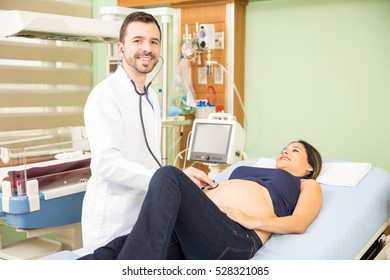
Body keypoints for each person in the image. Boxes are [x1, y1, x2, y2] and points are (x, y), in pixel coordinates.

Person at [81, 11, 213, 247]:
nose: (147, 48)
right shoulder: (105, 95)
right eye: (138, 40)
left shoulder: (151, 95)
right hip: (112, 219)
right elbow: (107, 165)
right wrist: (169, 180)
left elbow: (148, 159)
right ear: (121, 48)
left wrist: (176, 181)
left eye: (154, 42)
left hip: (145, 214)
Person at [78, 140, 323, 259]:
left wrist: (252, 220)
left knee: (169, 175)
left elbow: (299, 222)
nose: (285, 152)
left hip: (234, 237)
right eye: (284, 148)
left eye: (295, 151)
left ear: (310, 167)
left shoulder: (306, 184)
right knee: (115, 250)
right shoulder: (246, 168)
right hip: (196, 233)